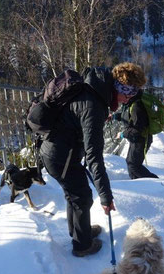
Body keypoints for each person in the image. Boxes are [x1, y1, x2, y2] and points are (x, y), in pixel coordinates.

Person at [40, 63, 145, 257]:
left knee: (75, 193)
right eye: (128, 95)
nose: (127, 101)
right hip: (60, 156)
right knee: (81, 196)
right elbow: (94, 156)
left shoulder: (95, 89)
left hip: (61, 152)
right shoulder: (94, 106)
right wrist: (106, 197)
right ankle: (82, 246)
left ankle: (80, 232)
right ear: (119, 88)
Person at [115, 67, 158, 180]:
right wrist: (115, 116)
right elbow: (129, 117)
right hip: (137, 139)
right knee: (131, 164)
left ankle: (158, 184)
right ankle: (138, 185)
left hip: (141, 139)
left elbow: (137, 128)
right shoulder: (130, 102)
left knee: (134, 166)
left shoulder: (137, 105)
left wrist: (123, 134)